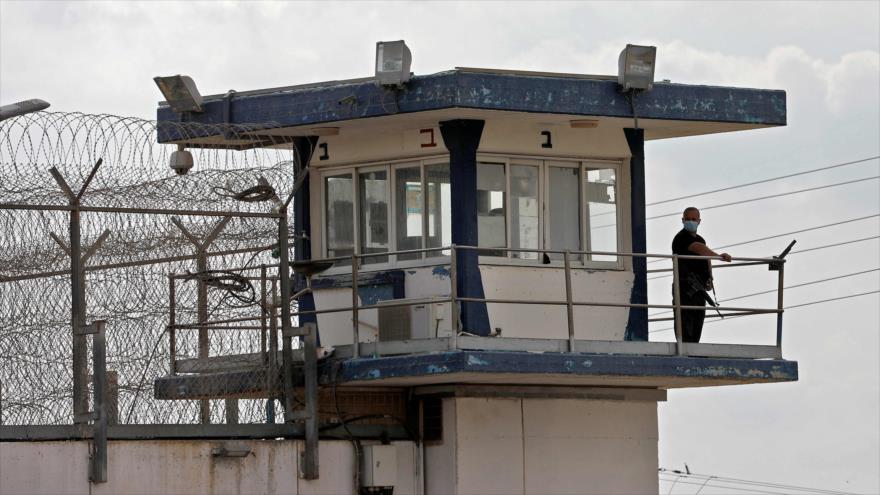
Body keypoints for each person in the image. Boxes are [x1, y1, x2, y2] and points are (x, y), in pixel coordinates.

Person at [671, 207, 732, 343]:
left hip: (699, 290)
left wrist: (710, 278)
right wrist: (719, 257)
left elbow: (705, 257)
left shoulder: (701, 239)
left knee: (697, 325)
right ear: (683, 220)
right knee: (685, 328)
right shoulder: (680, 238)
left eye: (694, 219)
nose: (691, 222)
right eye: (688, 219)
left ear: (699, 221)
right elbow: (698, 248)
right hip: (684, 289)